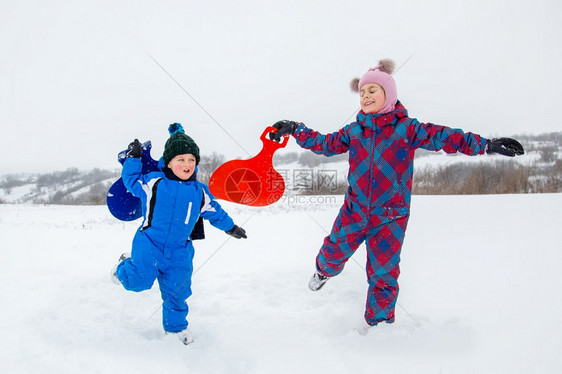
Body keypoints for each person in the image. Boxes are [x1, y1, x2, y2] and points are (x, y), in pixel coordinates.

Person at [269, 59, 524, 327]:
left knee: (383, 274)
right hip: (354, 211)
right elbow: (324, 143)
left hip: (391, 217)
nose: (366, 96)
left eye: (372, 91)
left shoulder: (408, 129)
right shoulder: (354, 131)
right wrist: (296, 129)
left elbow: (447, 137)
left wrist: (486, 145)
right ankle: (323, 272)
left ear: (388, 95)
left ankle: (379, 329)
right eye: (363, 92)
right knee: (332, 252)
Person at [111, 123, 247, 345]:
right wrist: (133, 159)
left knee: (178, 290)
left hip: (180, 251)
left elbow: (215, 212)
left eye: (191, 160)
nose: (187, 165)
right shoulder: (154, 182)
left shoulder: (199, 191)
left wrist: (230, 227)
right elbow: (131, 180)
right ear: (169, 162)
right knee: (139, 281)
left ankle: (175, 329)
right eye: (181, 160)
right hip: (150, 243)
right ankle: (123, 267)